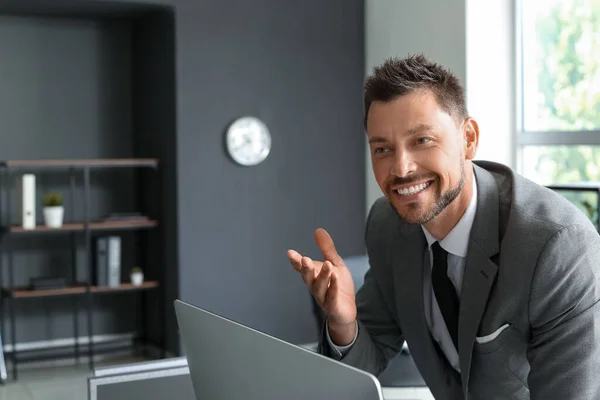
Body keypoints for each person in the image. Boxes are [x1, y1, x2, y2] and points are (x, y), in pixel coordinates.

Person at [287, 54, 600, 400]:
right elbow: (368, 357)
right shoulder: (386, 225)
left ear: (468, 139)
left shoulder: (558, 246)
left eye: (422, 140)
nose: (401, 168)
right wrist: (344, 322)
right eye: (382, 148)